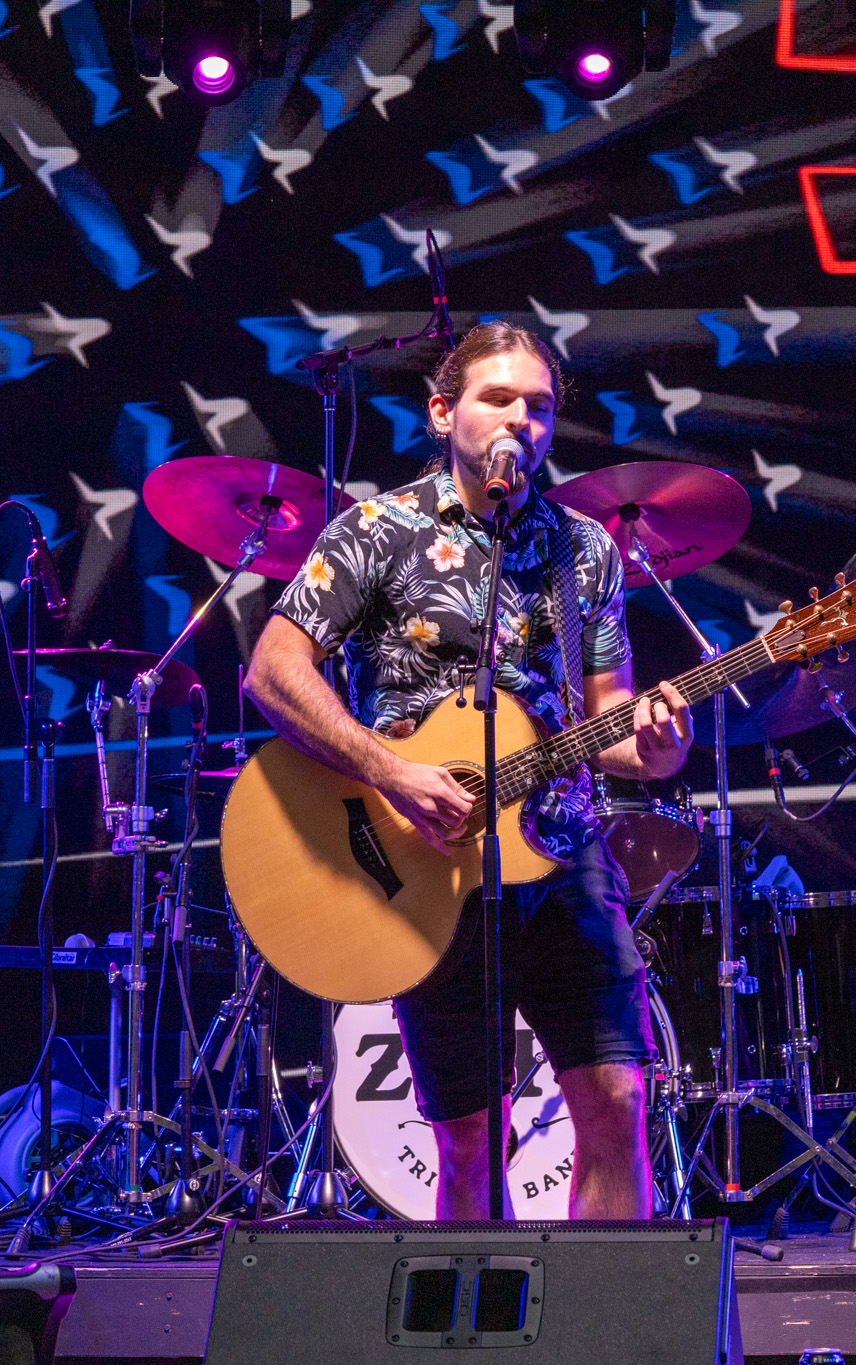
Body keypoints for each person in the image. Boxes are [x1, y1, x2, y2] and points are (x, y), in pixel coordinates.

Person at [244, 320, 693, 1218]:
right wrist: (392, 772)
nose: (522, 420)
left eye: (540, 407)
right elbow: (272, 672)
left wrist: (654, 745)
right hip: (425, 867)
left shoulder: (585, 550)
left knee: (619, 1100)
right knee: (469, 1138)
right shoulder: (376, 531)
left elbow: (606, 715)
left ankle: (608, 1308)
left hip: (562, 853)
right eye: (499, 398)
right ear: (443, 412)